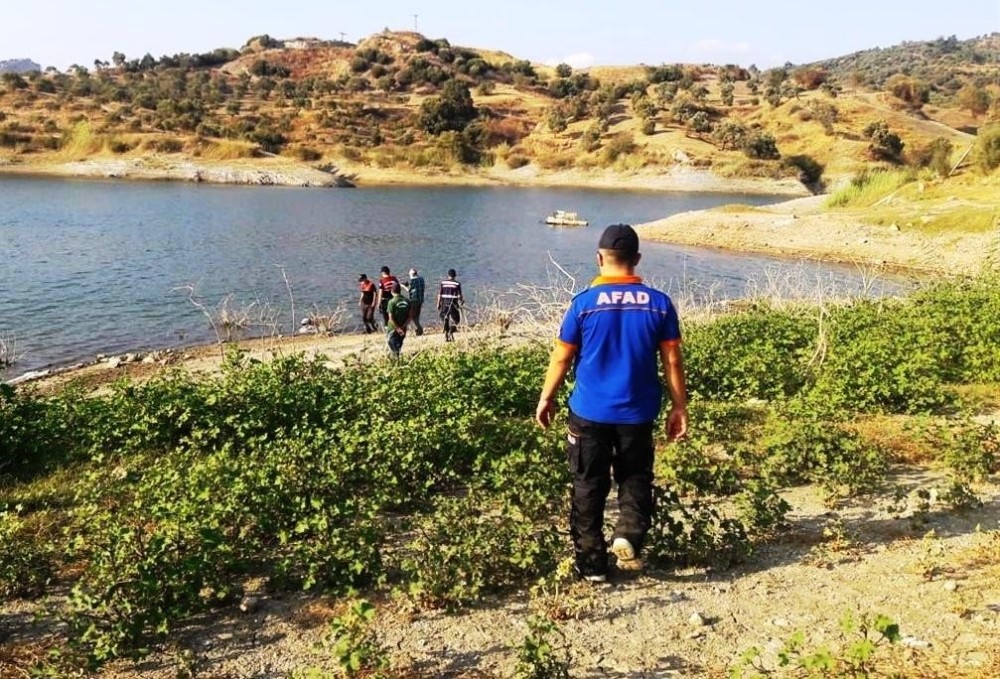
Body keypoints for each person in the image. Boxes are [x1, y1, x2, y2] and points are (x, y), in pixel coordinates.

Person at [535, 224, 688, 583]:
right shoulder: (659, 304)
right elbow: (673, 362)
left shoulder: (583, 304)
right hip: (638, 413)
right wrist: (679, 406)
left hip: (589, 412)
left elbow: (561, 358)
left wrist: (547, 397)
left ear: (599, 258)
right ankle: (628, 535)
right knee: (635, 477)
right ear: (636, 260)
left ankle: (592, 566)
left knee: (588, 484)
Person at [436, 268, 464, 342]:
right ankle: (450, 332)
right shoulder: (457, 284)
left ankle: (446, 333)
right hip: (453, 304)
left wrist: (438, 303)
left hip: (444, 303)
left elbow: (439, 294)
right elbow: (459, 296)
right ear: (455, 275)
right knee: (456, 320)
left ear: (448, 275)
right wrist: (462, 301)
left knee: (445, 318)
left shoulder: (443, 283)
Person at [385, 281, 411, 358]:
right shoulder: (407, 301)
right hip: (403, 328)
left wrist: (397, 328)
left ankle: (395, 363)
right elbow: (410, 317)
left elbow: (391, 318)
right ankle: (397, 360)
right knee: (398, 345)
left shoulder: (391, 302)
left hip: (393, 328)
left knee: (392, 346)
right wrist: (403, 327)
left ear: (392, 291)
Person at [403, 267, 426, 336]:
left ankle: (419, 328)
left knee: (412, 315)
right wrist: (408, 285)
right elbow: (415, 287)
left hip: (414, 300)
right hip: (420, 299)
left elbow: (409, 290)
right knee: (416, 315)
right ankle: (418, 330)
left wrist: (403, 286)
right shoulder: (421, 279)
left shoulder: (413, 281)